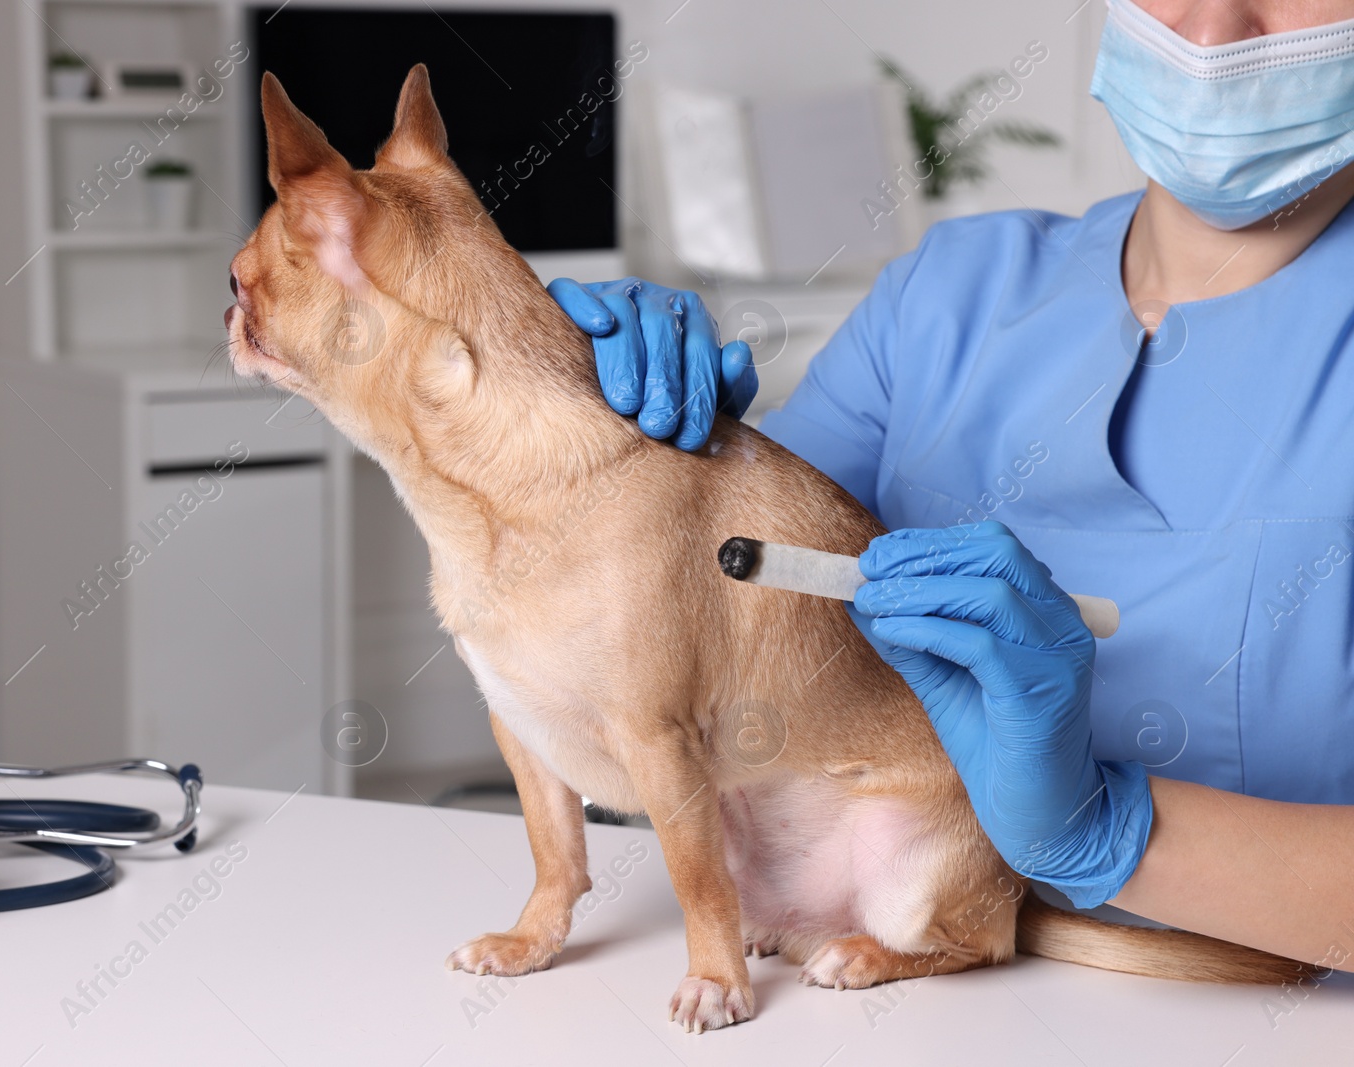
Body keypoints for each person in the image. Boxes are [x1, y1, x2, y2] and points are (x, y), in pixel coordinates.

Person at [549, 0, 1354, 972]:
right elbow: (668, 647)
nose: (1215, 30)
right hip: (880, 989)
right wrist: (568, 432)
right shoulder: (944, 296)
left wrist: (1108, 832)